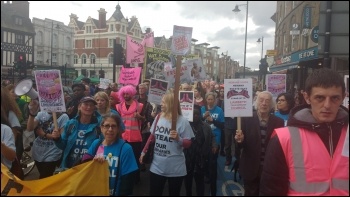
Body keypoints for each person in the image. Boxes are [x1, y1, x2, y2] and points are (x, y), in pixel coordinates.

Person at [260, 68, 349, 196]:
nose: (327, 105)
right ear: (307, 97)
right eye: (320, 98)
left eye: (335, 98)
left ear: (343, 98)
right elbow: (271, 190)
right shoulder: (284, 138)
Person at [139, 91, 194, 196]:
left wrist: (179, 139)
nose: (161, 104)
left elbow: (188, 143)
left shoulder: (182, 121)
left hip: (175, 168)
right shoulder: (159, 117)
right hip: (157, 166)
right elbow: (152, 136)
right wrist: (143, 152)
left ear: (171, 105)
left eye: (164, 102)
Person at [234, 91, 284, 196]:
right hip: (250, 167)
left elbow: (280, 146)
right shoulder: (246, 119)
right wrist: (240, 140)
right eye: (261, 100)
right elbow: (240, 145)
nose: (264, 103)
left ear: (271, 104)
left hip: (269, 169)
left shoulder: (278, 122)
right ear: (256, 103)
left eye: (267, 101)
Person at [84, 114, 138, 196]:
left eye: (113, 126)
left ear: (118, 129)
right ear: (101, 128)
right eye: (106, 126)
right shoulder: (96, 144)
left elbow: (128, 180)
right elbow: (84, 164)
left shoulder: (126, 148)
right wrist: (92, 161)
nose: (110, 129)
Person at [52, 96, 102, 169]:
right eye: (86, 104)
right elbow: (63, 146)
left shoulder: (99, 126)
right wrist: (57, 139)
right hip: (69, 167)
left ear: (94, 108)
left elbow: (103, 146)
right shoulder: (70, 124)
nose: (89, 107)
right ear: (79, 107)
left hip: (88, 167)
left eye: (91, 105)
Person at [26, 99, 69, 178]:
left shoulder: (64, 117)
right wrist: (31, 114)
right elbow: (29, 128)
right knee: (43, 174)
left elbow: (61, 137)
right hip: (38, 151)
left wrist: (44, 134)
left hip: (53, 152)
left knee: (44, 177)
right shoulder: (41, 114)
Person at [184, 105, 216, 196]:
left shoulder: (206, 126)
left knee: (200, 182)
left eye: (197, 114)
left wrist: (214, 145)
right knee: (188, 181)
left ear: (200, 115)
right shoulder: (186, 125)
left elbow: (212, 136)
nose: (196, 116)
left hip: (200, 158)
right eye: (194, 114)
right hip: (188, 157)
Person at [116, 85, 145, 184]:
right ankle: (124, 177)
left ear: (132, 94)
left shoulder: (140, 106)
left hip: (135, 137)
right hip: (123, 137)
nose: (125, 95)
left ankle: (136, 179)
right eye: (123, 93)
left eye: (127, 93)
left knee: (135, 159)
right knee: (123, 158)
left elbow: (145, 121)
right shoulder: (119, 106)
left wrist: (140, 117)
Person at [201, 92, 224, 196]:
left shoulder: (219, 110)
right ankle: (206, 173)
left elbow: (222, 125)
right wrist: (203, 118)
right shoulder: (202, 109)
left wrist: (212, 120)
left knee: (213, 160)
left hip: (216, 137)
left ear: (215, 100)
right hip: (204, 138)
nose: (210, 101)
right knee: (204, 157)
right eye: (208, 99)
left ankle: (212, 177)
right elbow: (198, 122)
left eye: (212, 99)